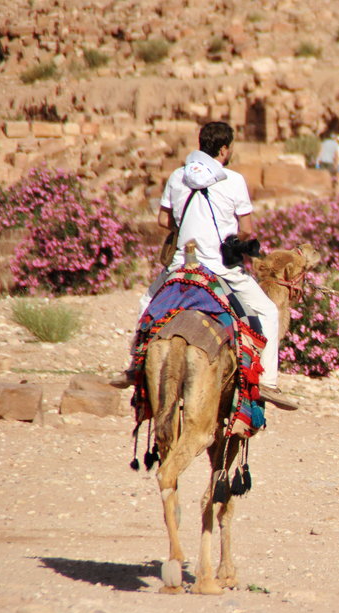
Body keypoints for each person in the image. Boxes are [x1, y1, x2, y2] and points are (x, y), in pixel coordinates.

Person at [111, 121, 298, 411]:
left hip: (182, 266)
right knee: (268, 312)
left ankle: (135, 366)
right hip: (219, 269)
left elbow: (162, 221)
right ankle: (268, 383)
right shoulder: (233, 180)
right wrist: (232, 239)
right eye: (230, 147)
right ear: (224, 149)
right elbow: (246, 229)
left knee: (146, 301)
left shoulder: (177, 176)